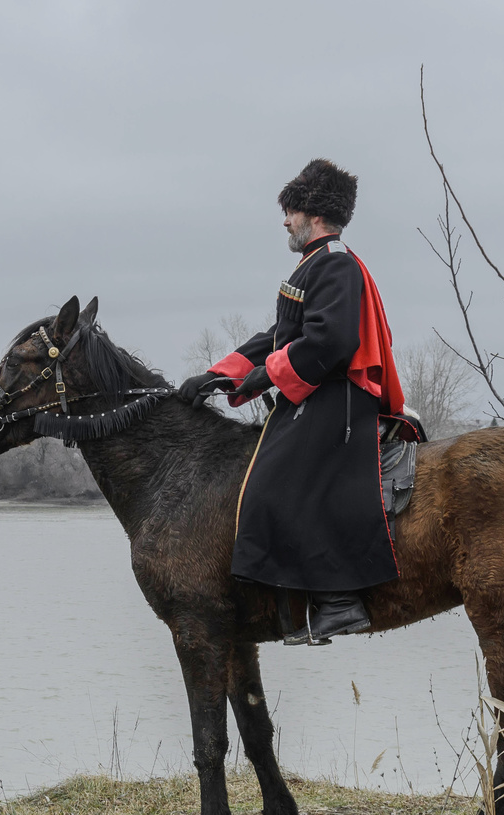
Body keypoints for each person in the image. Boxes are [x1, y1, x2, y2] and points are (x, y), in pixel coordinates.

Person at [178, 158, 408, 645]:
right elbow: (280, 336)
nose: (284, 220)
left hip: (339, 400)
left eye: (290, 211)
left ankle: (339, 601)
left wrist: (268, 374)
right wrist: (224, 373)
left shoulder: (336, 265)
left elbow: (331, 343)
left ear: (314, 213)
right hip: (318, 393)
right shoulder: (312, 265)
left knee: (273, 481)